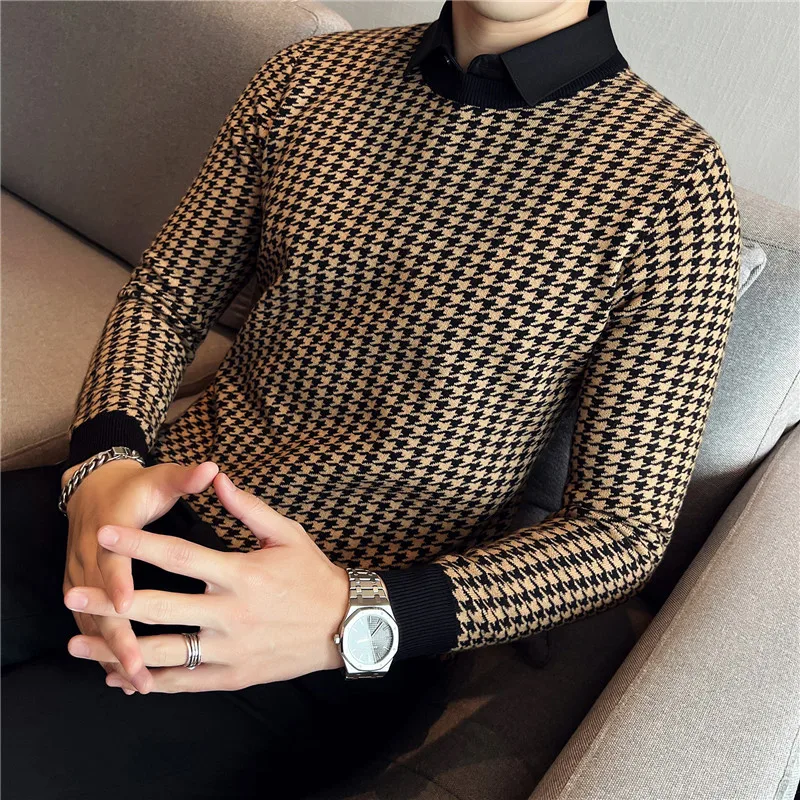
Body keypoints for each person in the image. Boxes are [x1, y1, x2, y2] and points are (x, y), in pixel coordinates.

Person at [1, 1, 742, 797]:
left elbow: (623, 529)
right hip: (144, 509)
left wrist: (355, 614)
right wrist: (102, 466)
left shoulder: (675, 184)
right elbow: (167, 295)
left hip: (332, 638)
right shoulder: (308, 77)